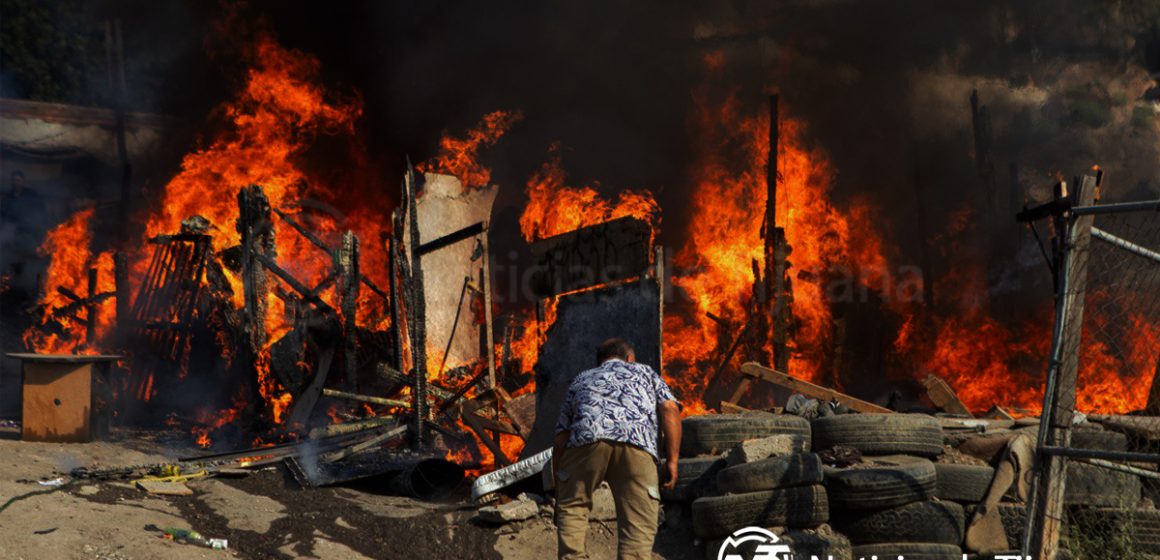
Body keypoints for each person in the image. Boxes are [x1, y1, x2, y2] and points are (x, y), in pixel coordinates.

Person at [553, 338, 682, 560]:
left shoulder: (581, 379)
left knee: (573, 508)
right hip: (637, 445)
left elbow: (561, 437)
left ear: (600, 361)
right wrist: (672, 460)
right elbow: (670, 408)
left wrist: (561, 484)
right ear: (629, 358)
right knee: (638, 525)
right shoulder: (645, 372)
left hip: (586, 441)